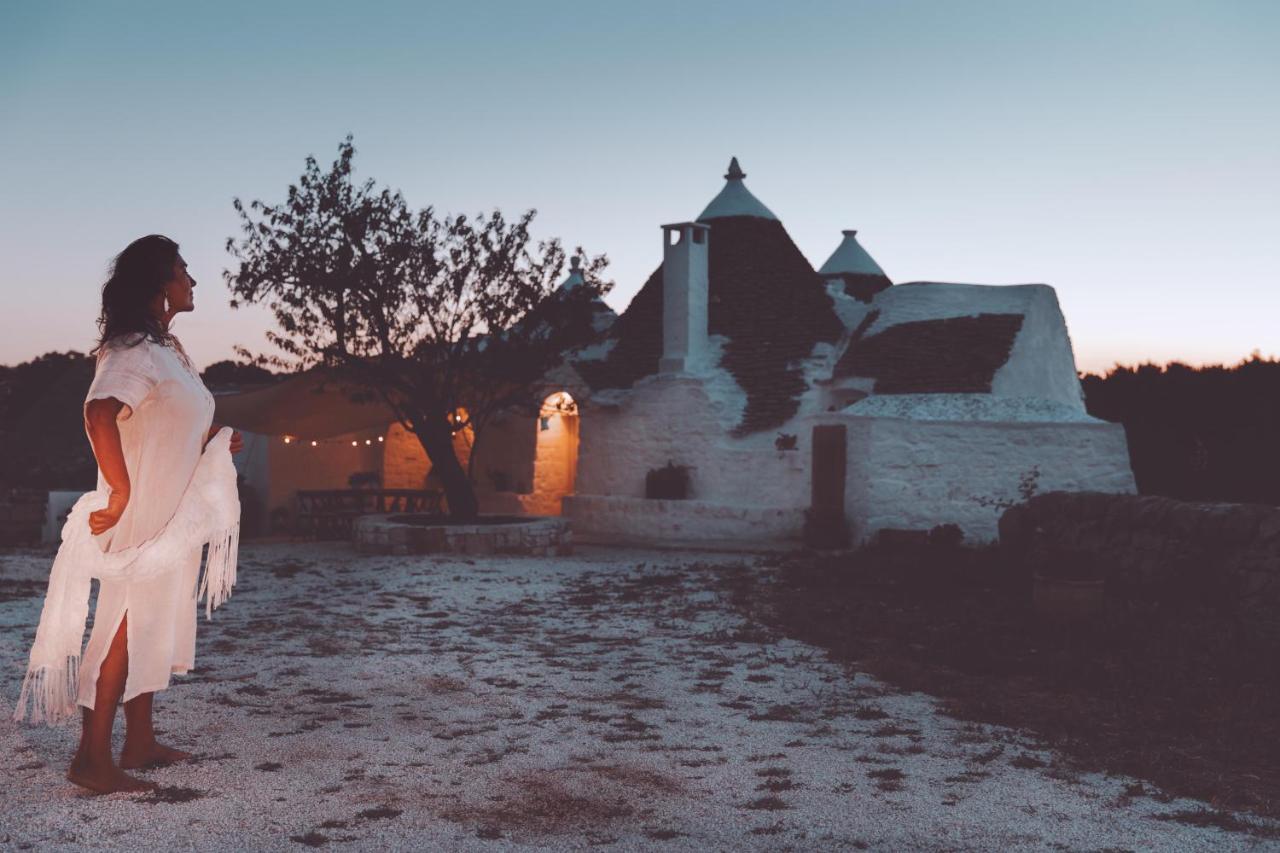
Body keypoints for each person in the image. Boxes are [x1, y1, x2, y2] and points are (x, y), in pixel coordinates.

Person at [67, 235, 243, 793]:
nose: (192, 281)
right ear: (158, 284)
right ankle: (91, 759)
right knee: (121, 628)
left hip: (173, 517)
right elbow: (100, 414)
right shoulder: (133, 350)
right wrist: (119, 493)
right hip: (141, 518)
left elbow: (163, 421)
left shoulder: (165, 352)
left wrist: (209, 437)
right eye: (184, 271)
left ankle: (139, 741)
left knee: (150, 624)